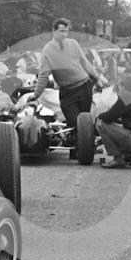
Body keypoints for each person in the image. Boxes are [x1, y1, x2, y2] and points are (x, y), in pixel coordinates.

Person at [32, 18, 98, 159]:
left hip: (84, 85)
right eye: (61, 31)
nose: (64, 34)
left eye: (66, 31)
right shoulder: (47, 51)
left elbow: (84, 62)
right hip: (67, 91)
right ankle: (77, 149)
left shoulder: (73, 44)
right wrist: (36, 94)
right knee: (73, 122)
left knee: (84, 120)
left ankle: (81, 151)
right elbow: (43, 75)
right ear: (54, 31)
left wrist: (96, 77)